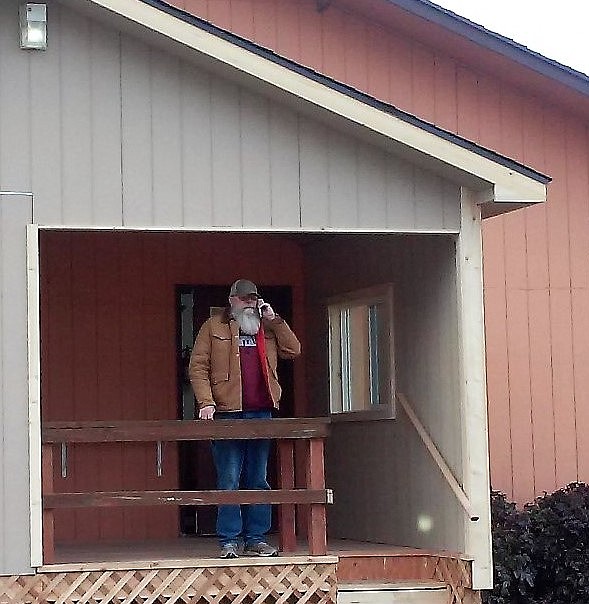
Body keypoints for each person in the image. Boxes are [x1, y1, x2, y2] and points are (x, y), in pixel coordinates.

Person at [188, 279, 301, 559]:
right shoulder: (212, 326)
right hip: (227, 411)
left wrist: (275, 320)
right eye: (244, 298)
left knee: (258, 479)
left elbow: (293, 350)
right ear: (232, 300)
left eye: (253, 298)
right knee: (229, 478)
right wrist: (206, 402)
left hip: (261, 411)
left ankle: (256, 538)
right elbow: (198, 367)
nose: (249, 303)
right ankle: (229, 540)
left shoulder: (267, 326)